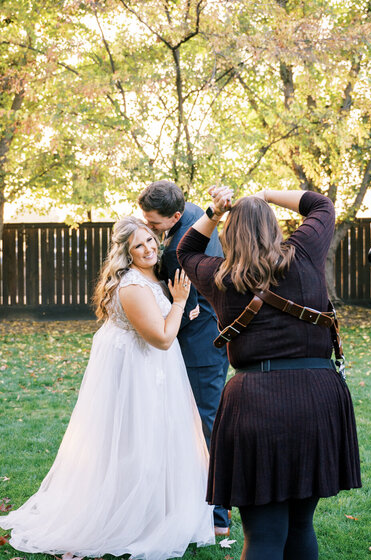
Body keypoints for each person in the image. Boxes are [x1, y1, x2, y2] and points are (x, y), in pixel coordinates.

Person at [0, 217, 214, 560]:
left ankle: (156, 512)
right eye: (138, 246)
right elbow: (160, 338)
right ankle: (125, 518)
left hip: (155, 370)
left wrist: (178, 309)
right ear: (126, 254)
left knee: (158, 440)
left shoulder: (153, 274)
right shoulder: (131, 285)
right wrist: (177, 303)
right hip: (140, 371)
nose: (148, 249)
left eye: (150, 240)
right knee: (138, 443)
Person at [176, 186, 362, 560]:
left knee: (263, 535)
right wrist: (267, 194)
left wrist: (214, 212)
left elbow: (186, 251)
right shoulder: (305, 253)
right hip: (317, 399)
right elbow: (320, 204)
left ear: (229, 235)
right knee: (300, 525)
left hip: (255, 404)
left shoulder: (219, 277)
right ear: (275, 227)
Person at [138, 181, 230, 535]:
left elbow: (184, 308)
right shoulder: (193, 212)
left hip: (201, 344)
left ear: (176, 215)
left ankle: (217, 516)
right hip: (199, 340)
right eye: (144, 218)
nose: (148, 227)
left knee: (206, 427)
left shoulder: (179, 248)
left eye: (154, 223)